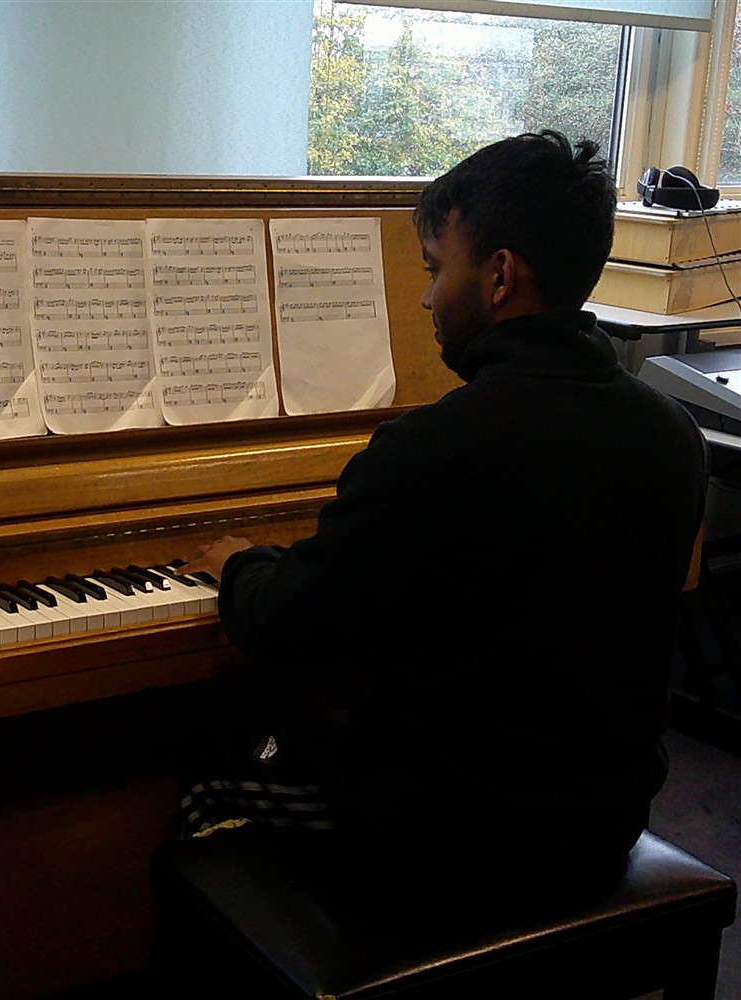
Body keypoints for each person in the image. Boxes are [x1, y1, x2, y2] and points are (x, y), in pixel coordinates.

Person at [177, 130, 708, 885]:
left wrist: (244, 565)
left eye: (433, 269)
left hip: (456, 837)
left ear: (498, 277)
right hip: (605, 824)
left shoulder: (437, 446)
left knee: (210, 769)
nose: (424, 296)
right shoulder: (674, 435)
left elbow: (288, 624)